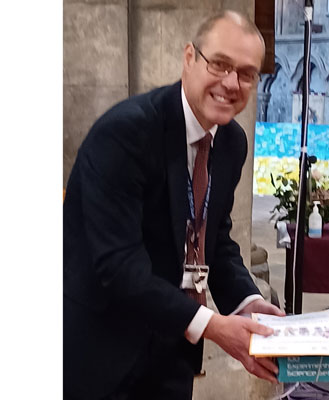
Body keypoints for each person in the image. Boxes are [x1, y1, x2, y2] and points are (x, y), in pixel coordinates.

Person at [63, 10, 285, 400]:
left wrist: (248, 301)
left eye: (247, 73)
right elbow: (117, 267)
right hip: (103, 348)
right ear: (188, 57)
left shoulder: (231, 142)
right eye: (219, 64)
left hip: (174, 349)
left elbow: (213, 237)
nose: (231, 83)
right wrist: (213, 326)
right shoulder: (126, 132)